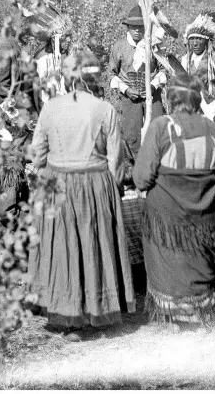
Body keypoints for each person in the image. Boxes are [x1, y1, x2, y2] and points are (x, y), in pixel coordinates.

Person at [27, 51, 135, 341]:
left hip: (57, 184)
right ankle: (95, 309)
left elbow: (36, 154)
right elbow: (116, 160)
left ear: (66, 77)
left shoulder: (50, 108)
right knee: (92, 244)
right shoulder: (105, 110)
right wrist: (115, 189)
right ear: (94, 77)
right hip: (94, 184)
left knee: (64, 246)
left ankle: (68, 315)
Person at [132, 73, 215, 326]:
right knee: (198, 257)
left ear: (169, 98)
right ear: (197, 100)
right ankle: (203, 309)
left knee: (168, 258)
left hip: (165, 219)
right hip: (202, 214)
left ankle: (172, 314)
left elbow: (141, 179)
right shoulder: (211, 127)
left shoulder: (162, 126)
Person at [108, 6, 168, 155]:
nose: (137, 31)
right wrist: (126, 90)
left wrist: (153, 87)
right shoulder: (119, 47)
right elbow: (111, 74)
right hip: (130, 97)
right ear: (127, 27)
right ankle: (134, 170)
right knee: (131, 135)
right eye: (133, 27)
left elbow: (164, 70)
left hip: (152, 96)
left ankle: (156, 168)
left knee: (158, 131)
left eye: (140, 27)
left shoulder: (154, 46)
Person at [181, 12, 215, 128]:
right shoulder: (185, 60)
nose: (195, 43)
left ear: (207, 41)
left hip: (213, 107)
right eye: (192, 39)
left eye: (199, 39)